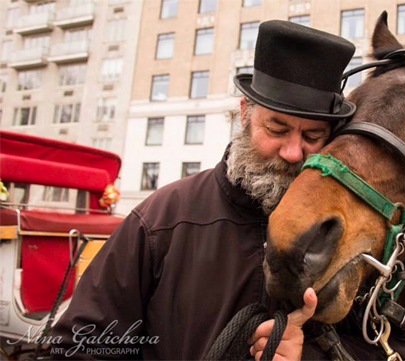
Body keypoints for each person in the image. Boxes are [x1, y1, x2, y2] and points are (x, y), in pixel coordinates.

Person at [50, 20, 359, 360]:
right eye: (276, 128)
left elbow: (389, 346)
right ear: (244, 115)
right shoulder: (162, 219)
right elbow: (80, 347)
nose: (292, 152)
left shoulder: (346, 230)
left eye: (313, 137)